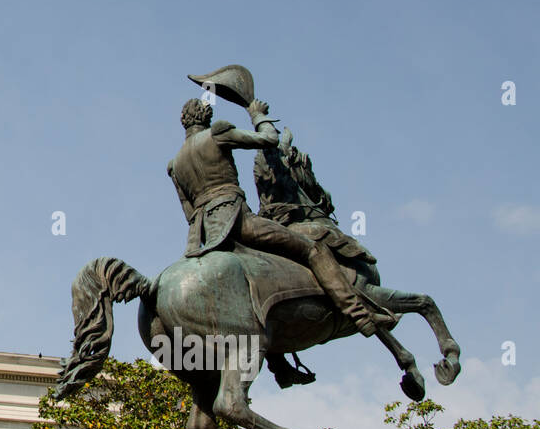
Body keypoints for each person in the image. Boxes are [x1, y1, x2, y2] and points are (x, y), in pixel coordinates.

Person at [167, 97, 394, 337]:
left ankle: (279, 363)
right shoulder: (217, 133)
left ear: (184, 122)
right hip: (239, 221)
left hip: (206, 236)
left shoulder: (175, 164)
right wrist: (257, 115)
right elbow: (269, 139)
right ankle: (360, 315)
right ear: (206, 116)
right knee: (313, 249)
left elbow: (190, 214)